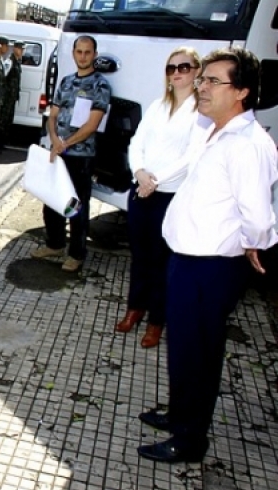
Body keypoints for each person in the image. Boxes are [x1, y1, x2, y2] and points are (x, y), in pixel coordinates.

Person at [137, 47, 278, 463]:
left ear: (242, 92)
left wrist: (254, 242)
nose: (202, 86)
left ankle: (189, 439)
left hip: (211, 268)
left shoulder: (248, 144)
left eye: (213, 80)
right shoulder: (215, 129)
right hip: (188, 261)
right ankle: (180, 414)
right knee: (183, 348)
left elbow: (258, 213)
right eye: (203, 79)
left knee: (198, 353)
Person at [115, 47, 201, 348]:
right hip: (141, 191)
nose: (176, 73)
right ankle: (134, 309)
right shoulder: (157, 106)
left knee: (163, 261)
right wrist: (139, 172)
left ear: (196, 71)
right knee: (140, 257)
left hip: (170, 196)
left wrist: (156, 181)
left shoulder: (200, 111)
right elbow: (136, 141)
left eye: (183, 67)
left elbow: (192, 156)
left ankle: (156, 321)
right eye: (171, 68)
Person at [30, 35, 111, 272]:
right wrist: (55, 139)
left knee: (75, 205)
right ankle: (54, 244)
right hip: (58, 152)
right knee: (52, 201)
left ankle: (76, 254)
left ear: (94, 55)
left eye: (88, 52)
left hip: (81, 157)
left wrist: (66, 143)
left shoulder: (100, 85)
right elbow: (52, 115)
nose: (83, 56)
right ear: (74, 53)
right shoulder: (65, 82)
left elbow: (92, 124)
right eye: (79, 52)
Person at [0, 40, 24, 146]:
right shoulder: (9, 61)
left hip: (12, 97)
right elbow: (3, 78)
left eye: (23, 49)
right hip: (6, 96)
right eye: (20, 48)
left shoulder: (17, 61)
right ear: (14, 48)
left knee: (8, 120)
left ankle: (2, 141)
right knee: (2, 120)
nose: (22, 51)